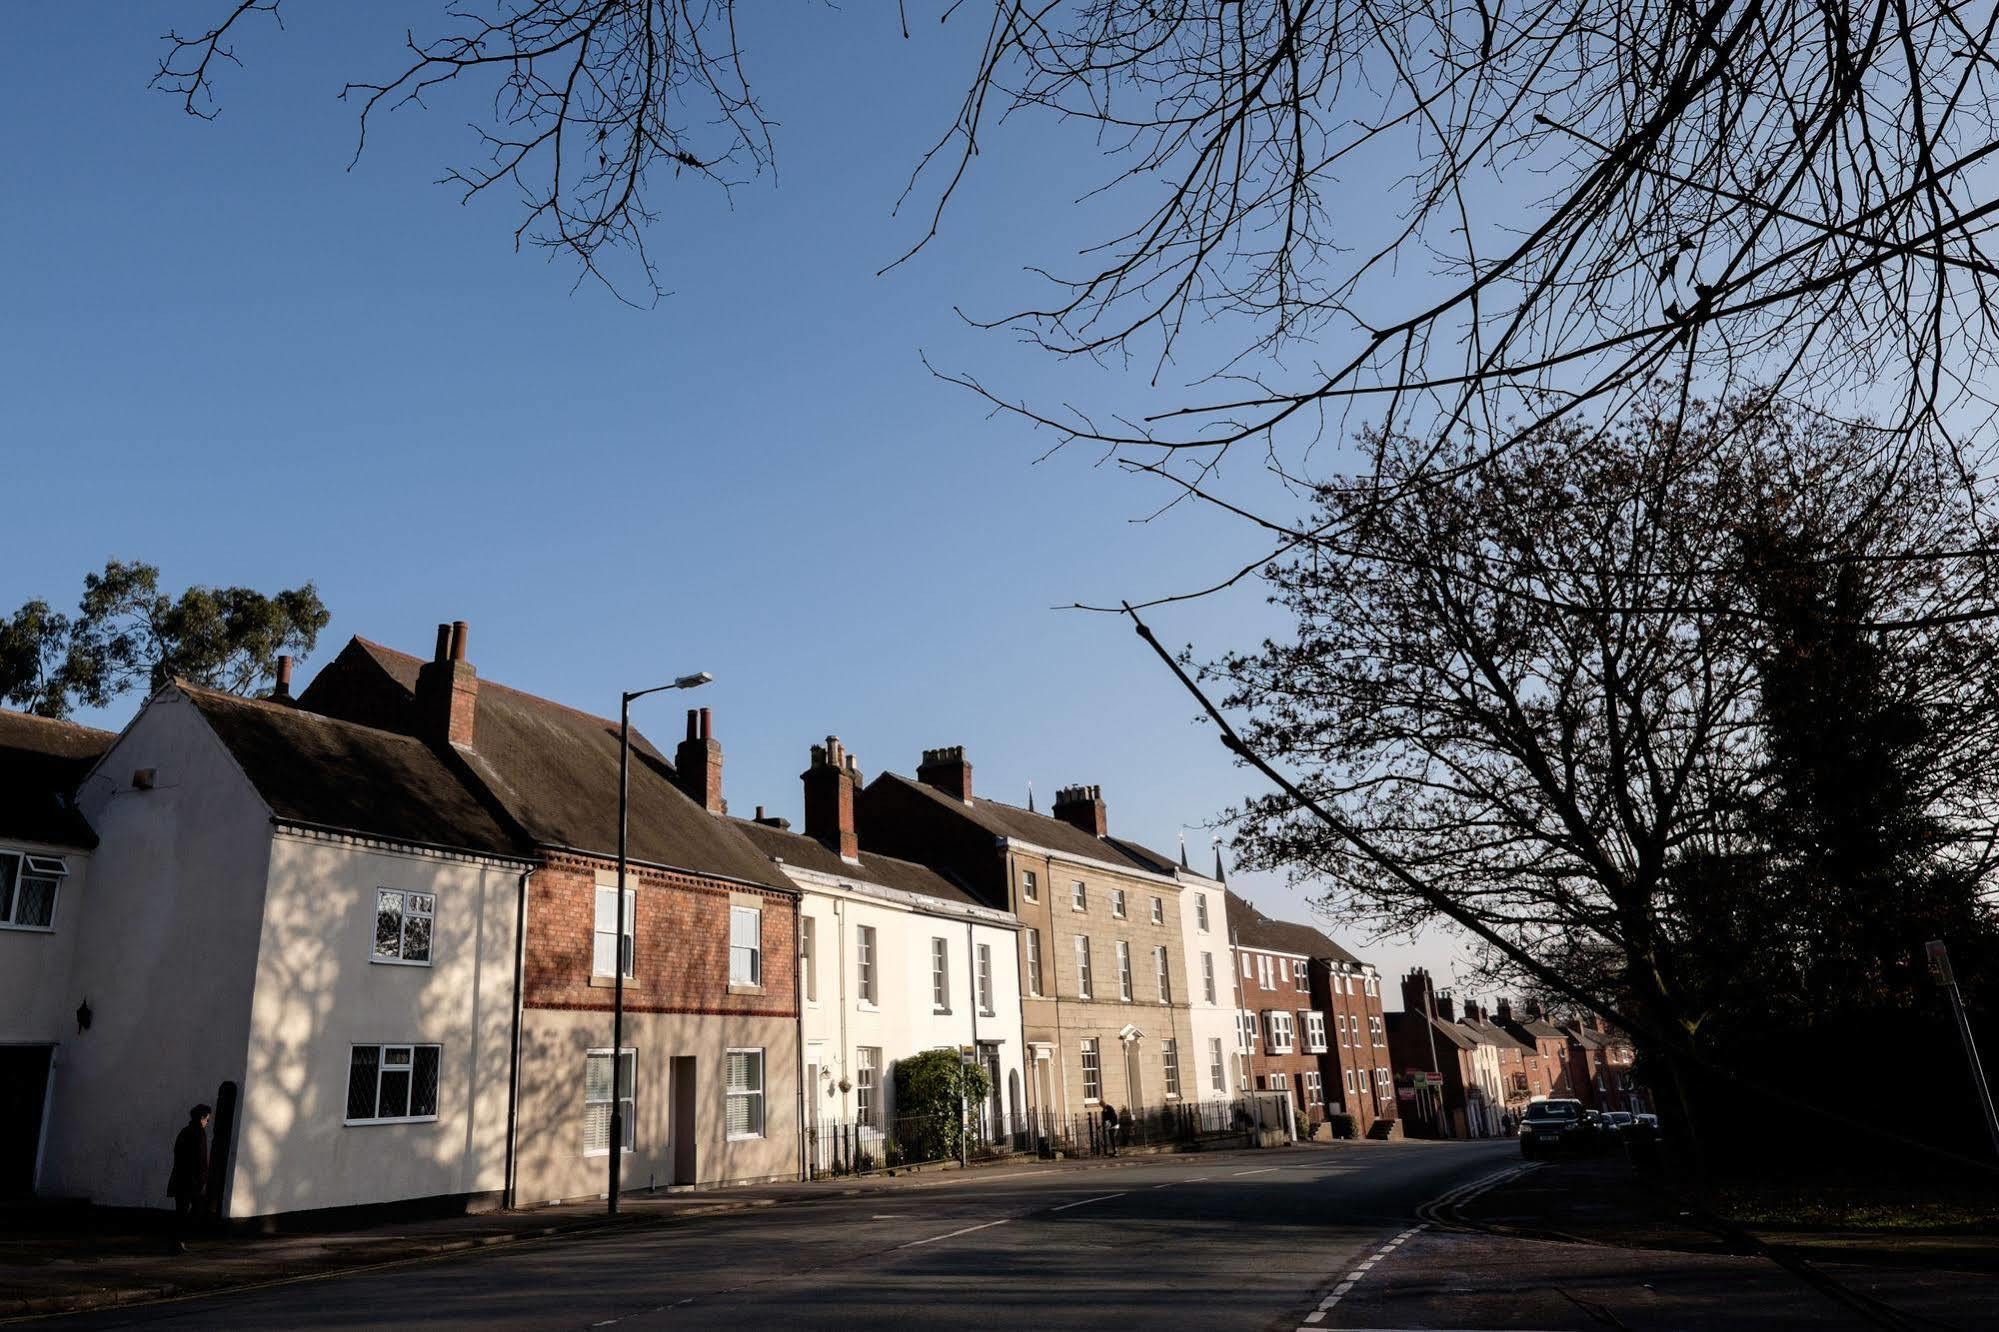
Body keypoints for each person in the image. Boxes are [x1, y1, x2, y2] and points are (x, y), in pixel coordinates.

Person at [167, 1104, 212, 1252]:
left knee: (181, 1210)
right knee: (195, 1209)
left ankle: (177, 1241)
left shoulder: (184, 1131)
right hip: (192, 1180)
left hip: (180, 1177)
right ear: (202, 1117)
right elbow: (201, 1158)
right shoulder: (199, 1133)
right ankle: (179, 1241)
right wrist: (202, 1179)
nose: (207, 1123)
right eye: (207, 1119)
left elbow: (177, 1153)